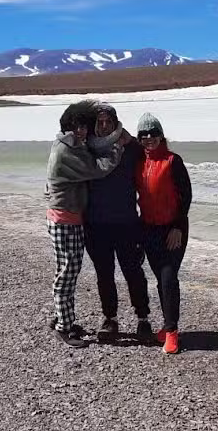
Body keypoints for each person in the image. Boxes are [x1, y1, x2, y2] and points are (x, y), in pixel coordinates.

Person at [45, 101, 125, 348]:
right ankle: (64, 327)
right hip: (64, 219)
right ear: (67, 126)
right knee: (68, 273)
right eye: (76, 127)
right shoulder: (66, 151)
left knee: (67, 269)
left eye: (84, 126)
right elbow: (98, 169)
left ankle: (63, 317)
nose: (81, 131)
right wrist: (117, 147)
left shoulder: (71, 145)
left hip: (68, 216)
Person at [84, 102, 152, 343]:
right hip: (95, 224)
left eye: (108, 122)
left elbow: (152, 160)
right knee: (104, 274)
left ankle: (143, 318)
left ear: (115, 123)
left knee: (133, 272)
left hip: (126, 223)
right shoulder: (87, 149)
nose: (104, 126)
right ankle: (110, 319)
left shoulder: (130, 147)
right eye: (100, 122)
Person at [135, 112, 192, 355]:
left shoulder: (172, 161)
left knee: (169, 278)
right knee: (160, 279)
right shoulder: (139, 162)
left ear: (161, 136)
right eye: (144, 135)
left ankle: (171, 332)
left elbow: (186, 195)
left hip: (173, 230)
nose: (149, 138)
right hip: (149, 229)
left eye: (153, 134)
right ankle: (168, 325)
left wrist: (177, 227)